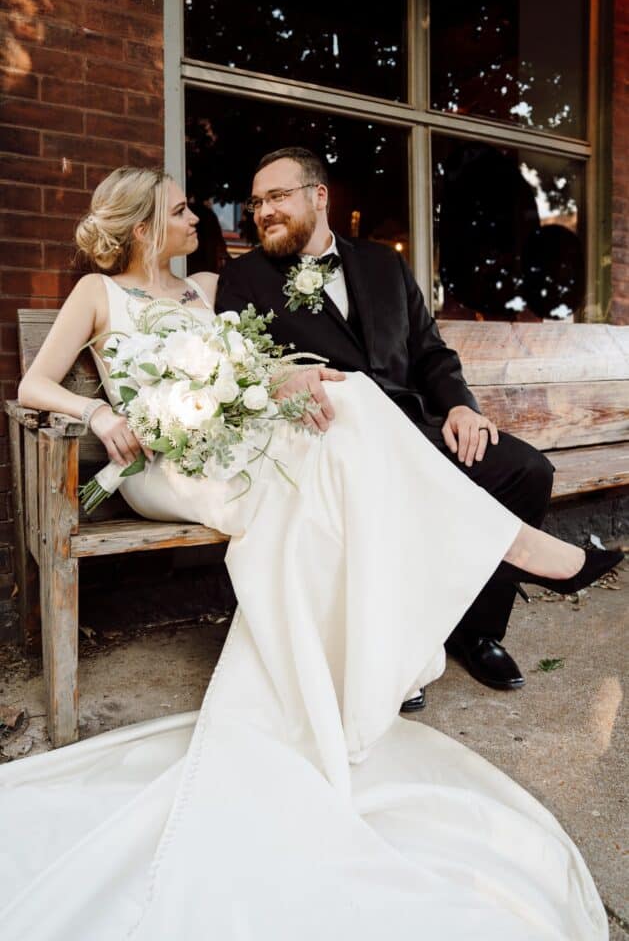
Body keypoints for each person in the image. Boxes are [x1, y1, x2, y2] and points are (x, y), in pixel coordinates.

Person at [2, 166, 619, 940]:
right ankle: (512, 550)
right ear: (141, 227)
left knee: (346, 404)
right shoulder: (99, 294)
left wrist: (293, 375)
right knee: (344, 452)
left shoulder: (199, 289)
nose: (202, 216)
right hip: (164, 464)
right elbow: (33, 384)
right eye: (182, 208)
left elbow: (247, 370)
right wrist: (97, 411)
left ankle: (421, 607)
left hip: (232, 441)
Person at [216, 147, 554, 700]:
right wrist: (280, 376)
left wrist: (462, 406)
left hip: (418, 428)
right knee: (374, 495)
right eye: (256, 203)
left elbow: (430, 352)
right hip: (337, 442)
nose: (263, 212)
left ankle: (474, 632)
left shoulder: (384, 264)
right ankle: (394, 647)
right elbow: (238, 363)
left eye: (277, 197)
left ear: (318, 196)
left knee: (525, 471)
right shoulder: (245, 278)